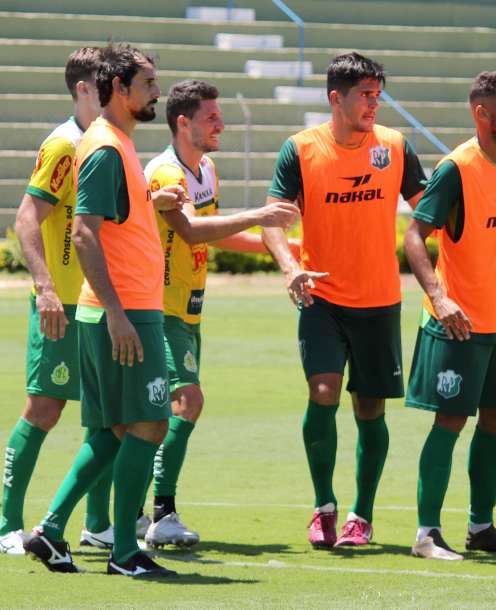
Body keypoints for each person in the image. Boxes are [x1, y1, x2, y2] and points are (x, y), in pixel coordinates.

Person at [22, 43, 186, 577]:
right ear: (120, 89)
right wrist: (117, 312)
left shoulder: (116, 143)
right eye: (148, 85)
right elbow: (83, 232)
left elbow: (113, 221)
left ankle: (49, 530)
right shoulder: (106, 147)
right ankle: (124, 553)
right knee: (150, 425)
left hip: (127, 308)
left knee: (112, 432)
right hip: (125, 311)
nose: (156, 93)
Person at [262, 52, 426, 549]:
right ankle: (323, 506)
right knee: (324, 392)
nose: (374, 105)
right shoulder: (300, 149)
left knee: (370, 408)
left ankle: (363, 515)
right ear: (337, 97)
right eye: (365, 96)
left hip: (379, 300)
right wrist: (291, 268)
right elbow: (273, 220)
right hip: (322, 297)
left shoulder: (395, 147)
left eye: (378, 95)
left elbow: (429, 213)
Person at [141, 79, 298, 548]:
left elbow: (212, 230)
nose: (221, 125)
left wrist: (282, 248)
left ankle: (129, 514)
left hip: (189, 312)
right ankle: (160, 513)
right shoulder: (165, 175)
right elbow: (188, 231)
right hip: (159, 309)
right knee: (186, 402)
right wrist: (258, 216)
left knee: (158, 412)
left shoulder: (205, 168)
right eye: (212, 117)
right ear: (183, 122)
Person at [404, 70, 496, 561]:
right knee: (451, 419)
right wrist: (439, 298)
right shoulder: (455, 169)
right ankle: (426, 534)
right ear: (482, 114)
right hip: (457, 323)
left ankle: (481, 527)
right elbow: (413, 237)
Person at [1, 46, 126, 555]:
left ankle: (98, 523)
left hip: (98, 302)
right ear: (83, 90)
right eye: (106, 87)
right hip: (62, 305)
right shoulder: (63, 146)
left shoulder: (109, 141)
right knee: (45, 408)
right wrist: (46, 288)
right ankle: (7, 521)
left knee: (105, 414)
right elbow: (27, 218)